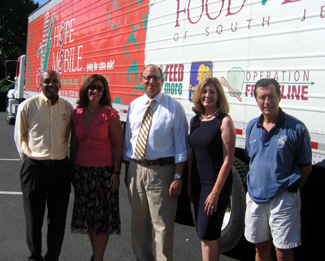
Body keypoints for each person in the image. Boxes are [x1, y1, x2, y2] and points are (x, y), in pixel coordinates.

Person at [123, 64, 188, 261]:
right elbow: (128, 142)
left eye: (156, 77)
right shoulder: (134, 105)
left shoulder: (174, 107)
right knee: (138, 225)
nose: (151, 81)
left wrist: (177, 176)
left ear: (162, 80)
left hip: (161, 173)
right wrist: (128, 172)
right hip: (135, 169)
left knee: (163, 226)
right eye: (147, 77)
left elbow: (181, 147)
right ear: (141, 80)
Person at [245, 78, 312, 261]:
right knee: (261, 248)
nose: (267, 101)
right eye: (262, 97)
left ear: (280, 96)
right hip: (256, 198)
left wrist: (289, 191)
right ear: (256, 99)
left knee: (282, 252)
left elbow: (305, 167)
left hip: (282, 200)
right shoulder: (251, 126)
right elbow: (253, 158)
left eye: (271, 96)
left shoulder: (296, 128)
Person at [14, 70, 73, 261]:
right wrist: (30, 162)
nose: (51, 85)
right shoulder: (27, 106)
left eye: (55, 81)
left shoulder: (67, 108)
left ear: (60, 85)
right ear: (40, 84)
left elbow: (71, 138)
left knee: (57, 220)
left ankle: (52, 257)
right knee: (33, 218)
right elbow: (20, 138)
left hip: (60, 170)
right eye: (47, 81)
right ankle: (35, 256)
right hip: (34, 169)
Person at [70, 74, 123, 261]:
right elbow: (74, 144)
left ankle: (98, 258)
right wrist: (72, 170)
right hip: (82, 172)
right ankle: (95, 256)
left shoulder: (110, 114)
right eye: (92, 87)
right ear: (86, 88)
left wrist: (116, 173)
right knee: (89, 218)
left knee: (101, 219)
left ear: (104, 92)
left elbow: (118, 145)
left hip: (103, 173)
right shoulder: (76, 114)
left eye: (100, 88)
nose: (96, 91)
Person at [188, 77, 236, 261]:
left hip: (214, 185)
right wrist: (189, 185)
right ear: (199, 94)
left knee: (208, 232)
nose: (208, 95)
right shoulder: (195, 121)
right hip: (197, 184)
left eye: (212, 92)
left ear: (219, 96)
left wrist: (215, 192)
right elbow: (193, 154)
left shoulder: (224, 121)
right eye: (205, 91)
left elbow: (228, 159)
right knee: (206, 234)